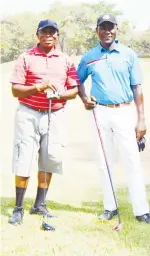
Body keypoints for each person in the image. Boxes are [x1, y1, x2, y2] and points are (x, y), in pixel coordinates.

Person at [76, 14, 150, 224]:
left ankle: (141, 210)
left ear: (117, 29)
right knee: (104, 162)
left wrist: (141, 119)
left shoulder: (128, 54)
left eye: (110, 27)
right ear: (97, 31)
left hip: (124, 111)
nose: (107, 31)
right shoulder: (89, 56)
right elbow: (76, 81)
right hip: (100, 112)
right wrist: (85, 99)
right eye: (103, 28)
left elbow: (137, 87)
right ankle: (109, 206)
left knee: (132, 160)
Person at [8, 19, 79, 225]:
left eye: (52, 32)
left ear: (57, 35)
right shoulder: (26, 57)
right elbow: (15, 90)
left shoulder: (65, 59)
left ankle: (39, 205)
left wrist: (60, 95)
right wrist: (40, 87)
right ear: (37, 34)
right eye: (44, 32)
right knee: (24, 158)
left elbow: (74, 90)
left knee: (50, 158)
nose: (48, 35)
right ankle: (18, 208)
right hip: (28, 113)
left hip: (54, 114)